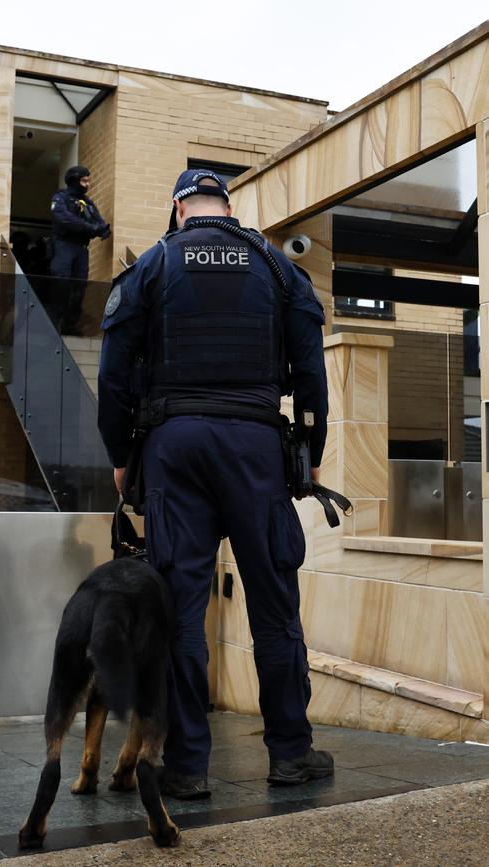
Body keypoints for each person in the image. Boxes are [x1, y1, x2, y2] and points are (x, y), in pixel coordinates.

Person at [97, 168, 333, 800]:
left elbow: (114, 376)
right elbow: (311, 373)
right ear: (227, 206)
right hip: (257, 446)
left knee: (180, 610)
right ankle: (289, 754)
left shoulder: (150, 266)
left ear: (179, 208)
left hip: (175, 447)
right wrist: (311, 452)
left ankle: (186, 765)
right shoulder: (281, 270)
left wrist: (122, 456)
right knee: (275, 606)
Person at [49, 165, 111, 333]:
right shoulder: (61, 197)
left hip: (81, 249)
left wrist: (103, 229)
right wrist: (89, 227)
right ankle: (54, 323)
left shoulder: (88, 203)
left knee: (79, 288)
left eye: (88, 180)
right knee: (61, 283)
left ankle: (70, 325)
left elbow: (99, 222)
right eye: (84, 180)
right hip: (64, 246)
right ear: (74, 180)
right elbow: (63, 218)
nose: (87, 184)